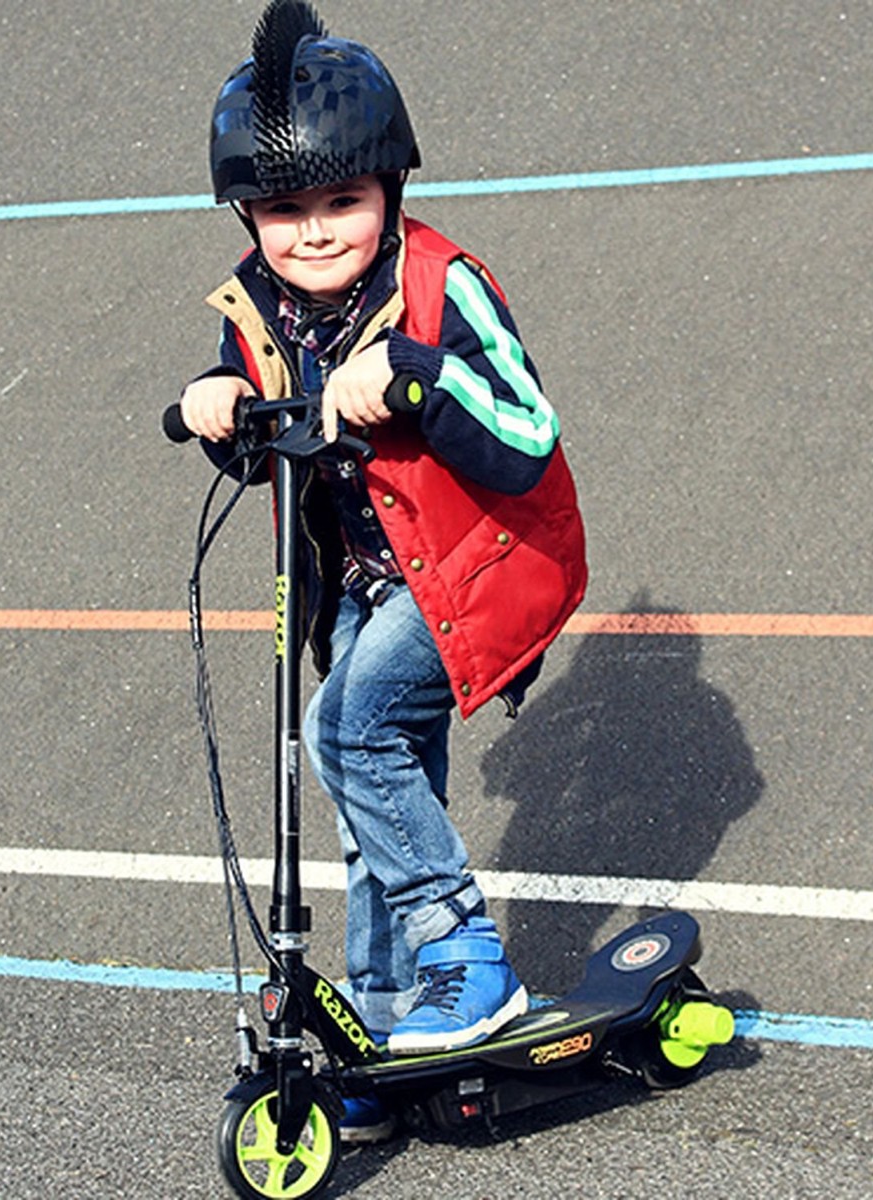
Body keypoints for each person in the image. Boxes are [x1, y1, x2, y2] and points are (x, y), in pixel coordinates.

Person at [178, 0, 588, 1140]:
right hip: (370, 579)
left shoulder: (443, 284)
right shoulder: (259, 302)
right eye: (282, 210)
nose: (312, 233)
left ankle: (468, 960)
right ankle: (383, 1021)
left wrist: (413, 378)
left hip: (487, 559)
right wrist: (221, 412)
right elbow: (262, 428)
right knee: (370, 798)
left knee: (348, 737)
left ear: (391, 188)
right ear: (248, 213)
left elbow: (526, 434)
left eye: (341, 203)